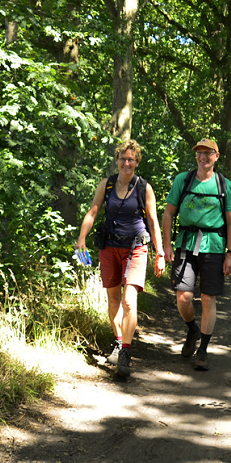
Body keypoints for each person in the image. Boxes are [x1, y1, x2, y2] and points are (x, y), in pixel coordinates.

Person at [76, 140, 165, 379]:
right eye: (123, 159)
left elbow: (154, 221)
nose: (127, 163)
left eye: (131, 159)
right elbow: (93, 211)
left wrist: (160, 253)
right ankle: (117, 341)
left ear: (137, 162)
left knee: (128, 301)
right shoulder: (106, 185)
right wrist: (81, 238)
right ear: (117, 160)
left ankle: (125, 352)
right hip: (109, 247)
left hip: (136, 248)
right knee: (113, 298)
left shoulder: (144, 187)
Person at [161, 138, 231, 372]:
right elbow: (168, 213)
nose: (203, 157)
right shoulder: (182, 180)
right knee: (183, 297)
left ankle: (203, 350)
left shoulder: (224, 184)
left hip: (214, 246)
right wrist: (167, 244)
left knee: (208, 299)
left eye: (208, 153)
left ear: (217, 156)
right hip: (185, 244)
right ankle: (193, 330)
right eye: (199, 153)